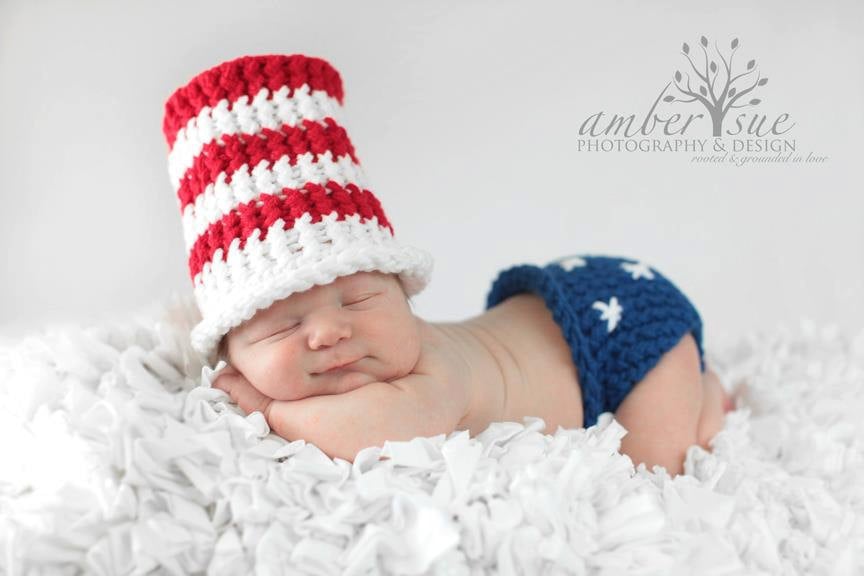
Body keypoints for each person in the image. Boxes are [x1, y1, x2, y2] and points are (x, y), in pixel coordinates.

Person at [162, 54, 733, 475]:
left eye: (360, 299)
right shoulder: (354, 349)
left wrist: (265, 406)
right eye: (284, 324)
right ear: (229, 350)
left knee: (657, 465)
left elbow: (371, 431)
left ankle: (703, 396)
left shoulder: (431, 374)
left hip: (623, 330)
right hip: (548, 316)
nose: (332, 331)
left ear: (405, 297)